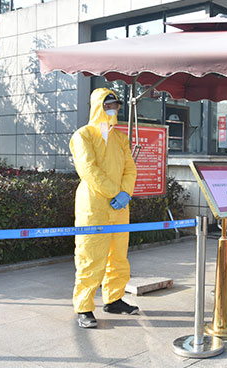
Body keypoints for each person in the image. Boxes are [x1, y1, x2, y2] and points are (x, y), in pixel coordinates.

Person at [69, 87, 138, 329]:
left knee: (118, 256)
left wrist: (126, 193)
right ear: (98, 106)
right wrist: (114, 192)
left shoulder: (120, 138)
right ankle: (84, 307)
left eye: (115, 105)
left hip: (120, 207)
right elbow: (88, 169)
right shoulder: (83, 135)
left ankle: (114, 299)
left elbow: (130, 168)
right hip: (93, 205)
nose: (112, 109)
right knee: (90, 256)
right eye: (108, 105)